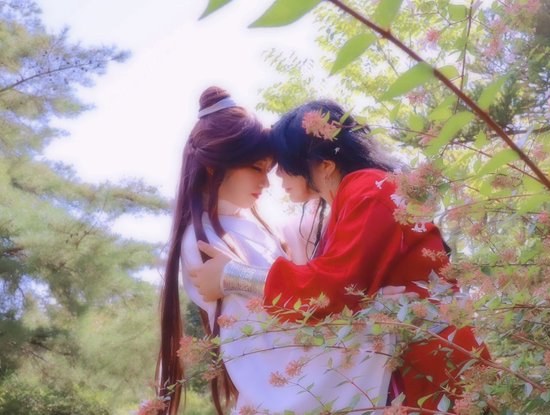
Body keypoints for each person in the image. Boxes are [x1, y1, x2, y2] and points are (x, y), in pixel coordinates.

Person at [191, 99, 491, 410]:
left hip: (436, 360)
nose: (276, 178)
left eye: (285, 165)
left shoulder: (370, 193)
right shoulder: (359, 195)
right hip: (428, 357)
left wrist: (233, 275)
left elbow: (330, 290)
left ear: (324, 165)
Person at [157, 88, 393, 415]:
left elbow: (323, 274)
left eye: (269, 170)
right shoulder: (202, 241)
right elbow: (267, 334)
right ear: (213, 167)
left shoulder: (258, 225)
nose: (267, 183)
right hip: (284, 382)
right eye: (257, 168)